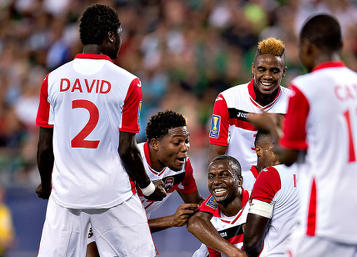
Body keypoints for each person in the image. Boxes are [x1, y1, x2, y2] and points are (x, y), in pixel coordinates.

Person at [248, 14, 357, 257]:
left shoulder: (306, 87)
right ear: (340, 46)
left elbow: (286, 156)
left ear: (307, 47)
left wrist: (271, 125)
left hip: (329, 221)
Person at [35, 4, 166, 257]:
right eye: (119, 34)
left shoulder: (51, 80)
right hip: (112, 194)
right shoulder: (128, 82)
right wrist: (148, 188)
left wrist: (44, 185)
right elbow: (127, 149)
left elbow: (43, 147)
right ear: (110, 36)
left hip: (66, 195)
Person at [86, 110, 204, 256]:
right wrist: (171, 220)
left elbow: (197, 205)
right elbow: (120, 225)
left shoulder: (183, 167)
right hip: (96, 223)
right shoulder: (125, 165)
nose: (185, 147)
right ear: (155, 143)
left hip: (137, 229)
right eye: (177, 142)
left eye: (186, 141)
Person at [208, 37, 290, 172]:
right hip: (240, 186)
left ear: (284, 72)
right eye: (262, 69)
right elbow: (217, 153)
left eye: (274, 71)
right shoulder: (227, 100)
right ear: (253, 68)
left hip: (279, 186)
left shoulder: (293, 102)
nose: (267, 76)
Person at [243, 130, 299, 257]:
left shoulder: (271, 175)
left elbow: (251, 243)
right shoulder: (236, 179)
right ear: (258, 150)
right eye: (276, 151)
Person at [188, 155, 248, 257]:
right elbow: (194, 223)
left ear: (240, 181)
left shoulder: (256, 203)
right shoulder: (209, 221)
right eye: (211, 177)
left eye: (224, 175)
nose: (216, 181)